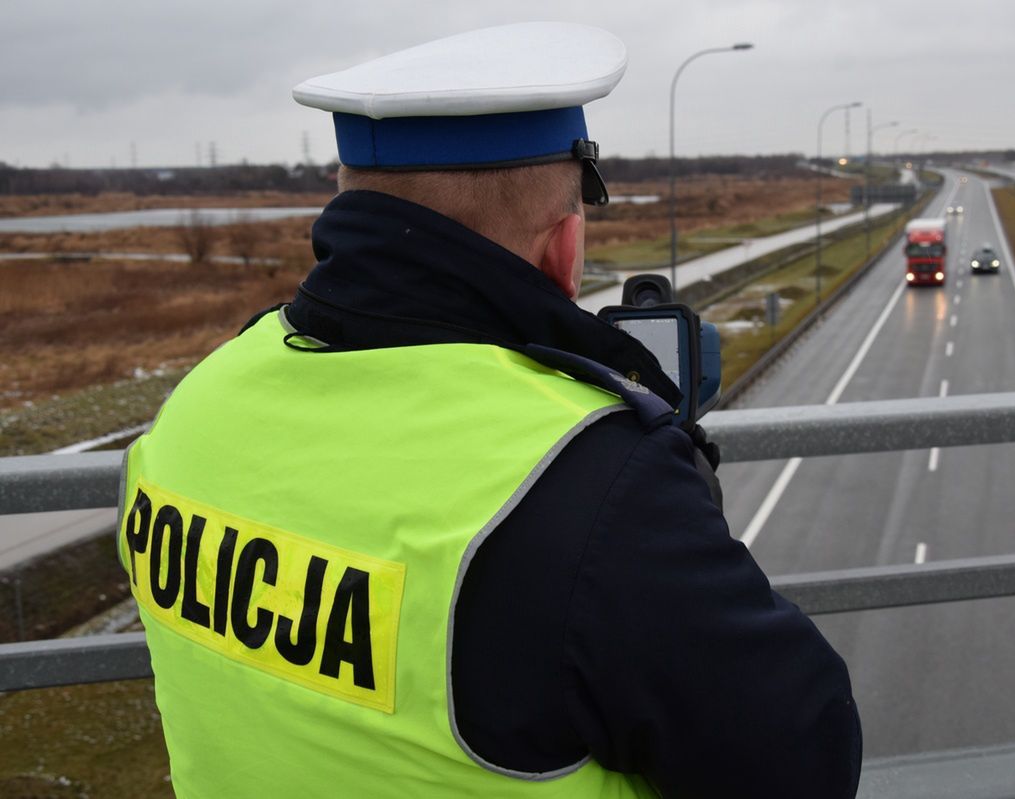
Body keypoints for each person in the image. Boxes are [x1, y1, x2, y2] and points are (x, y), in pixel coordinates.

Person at [117, 22, 861, 798]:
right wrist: (667, 502)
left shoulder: (196, 404)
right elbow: (806, 757)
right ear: (563, 246)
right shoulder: (590, 484)